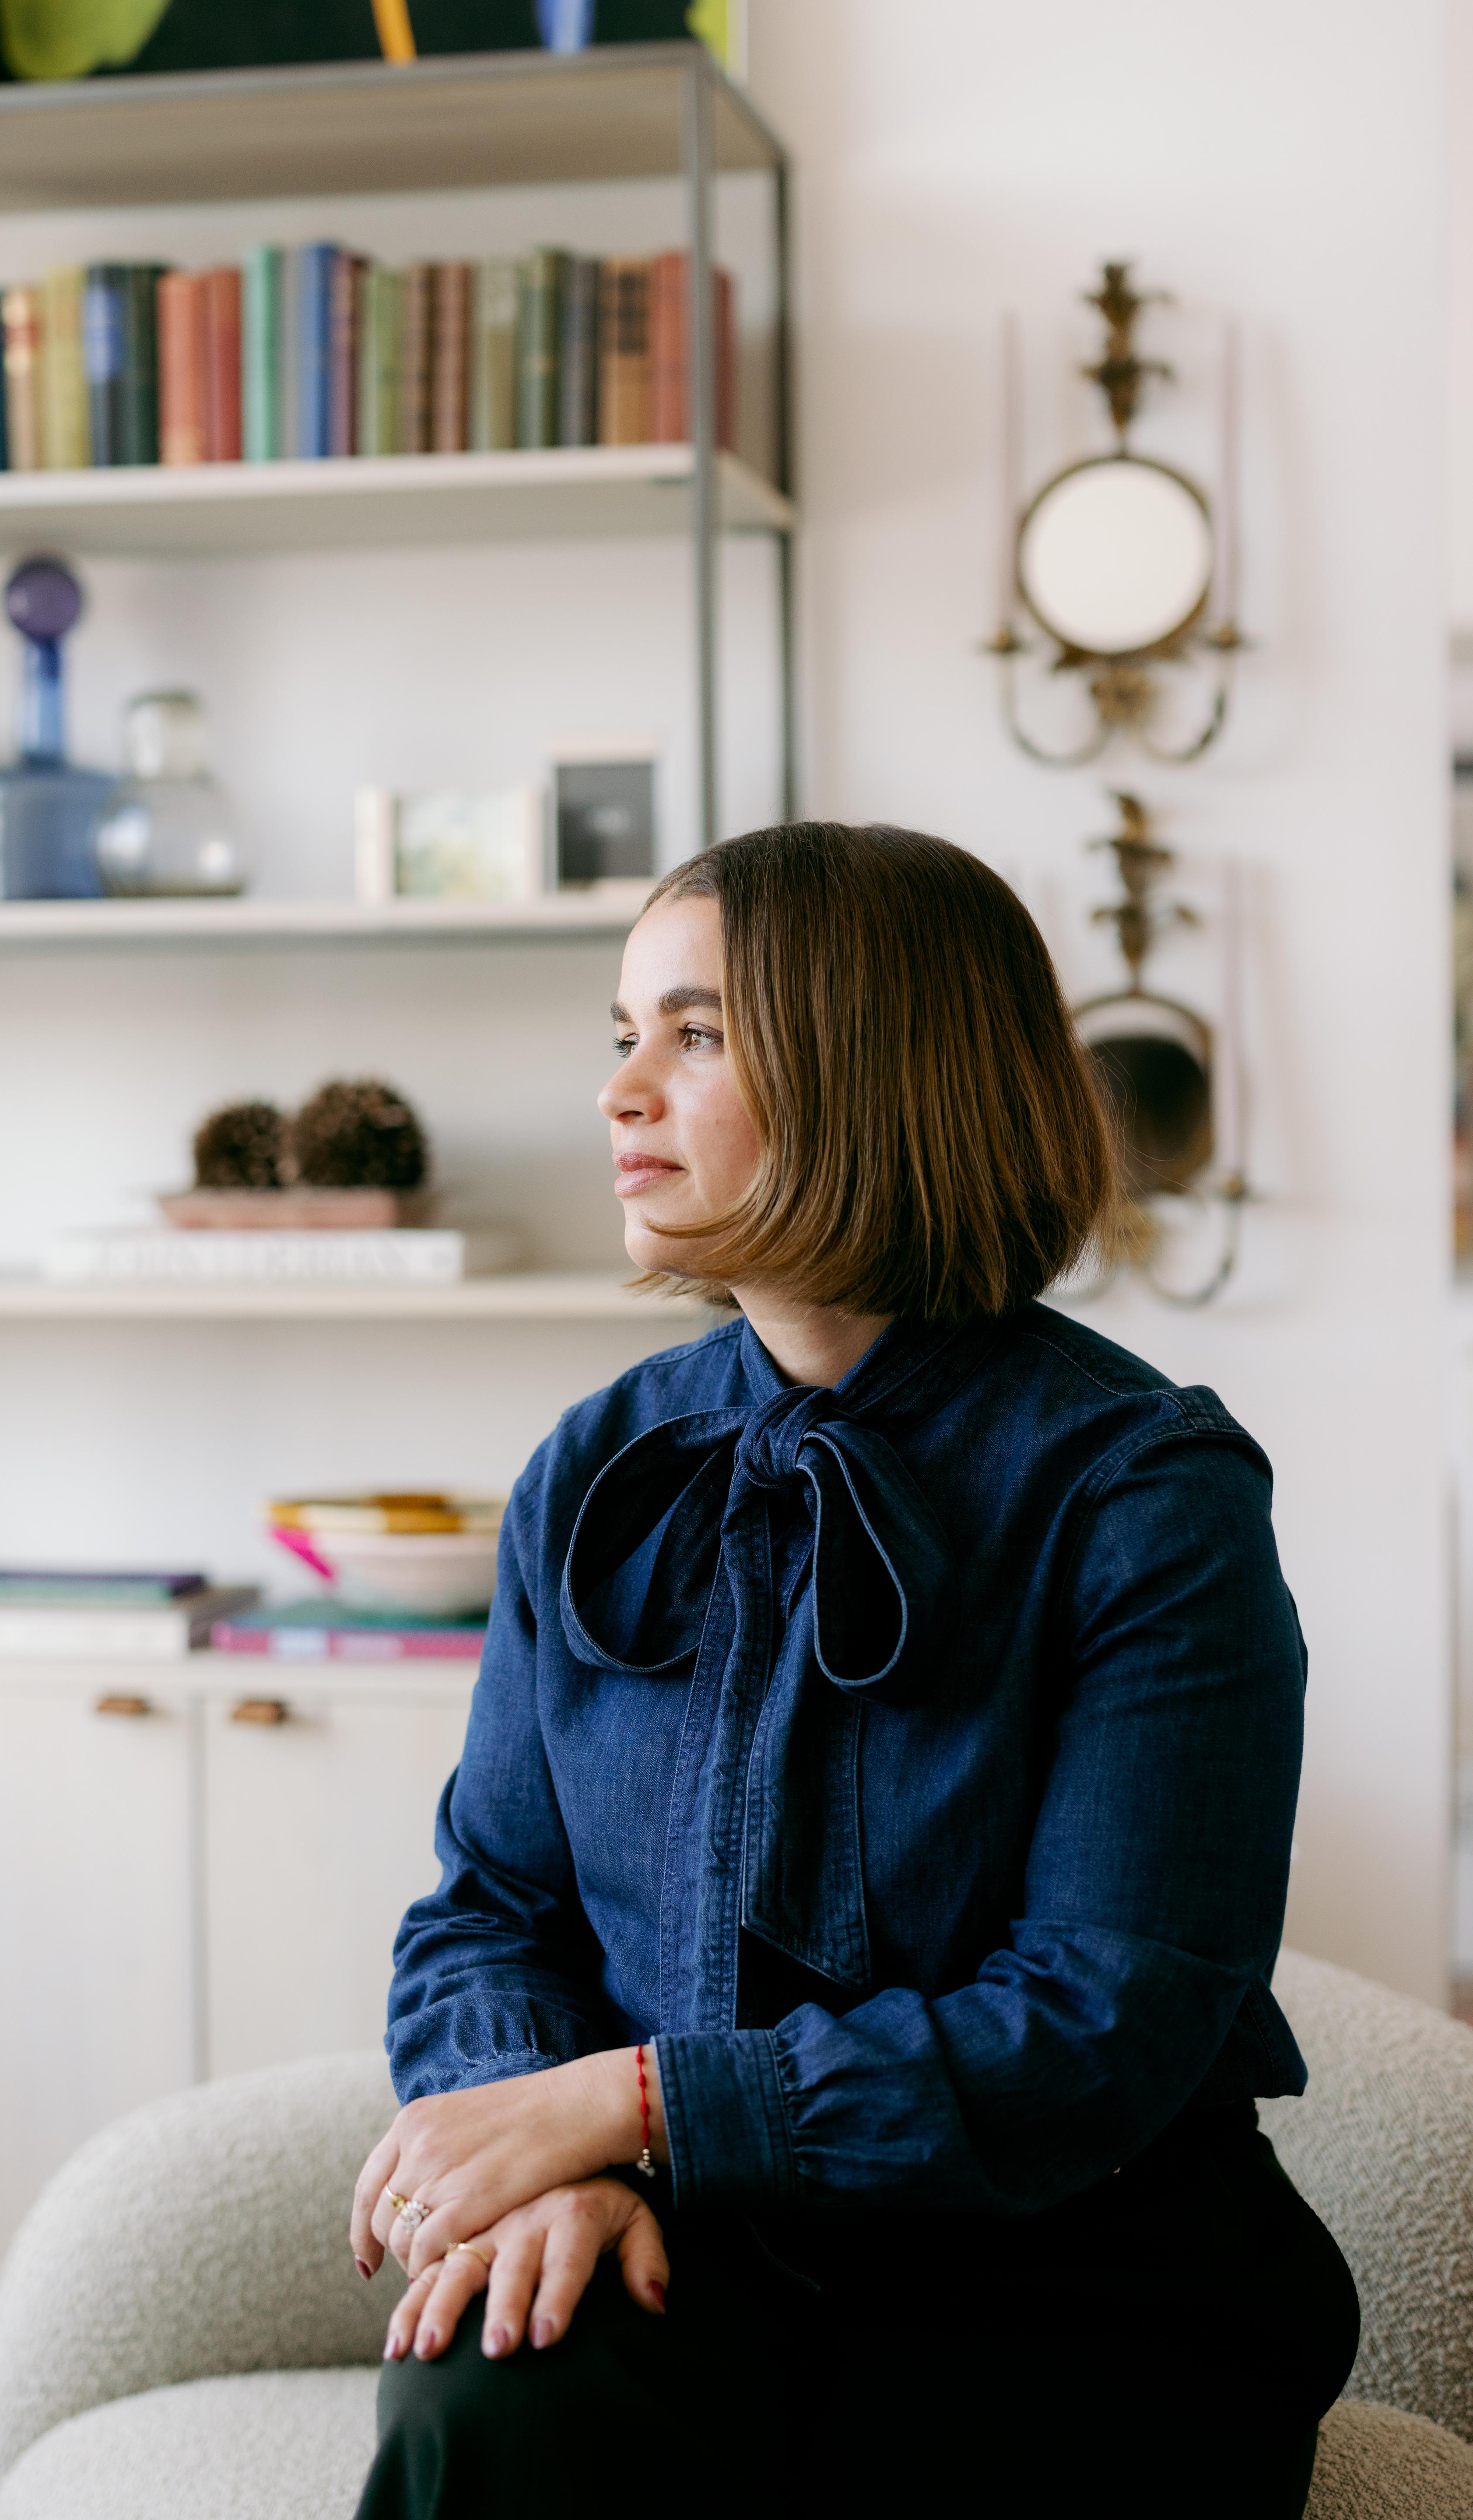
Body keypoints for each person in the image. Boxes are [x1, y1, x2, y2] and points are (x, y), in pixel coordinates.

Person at [348, 822, 1358, 2520]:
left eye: (696, 1035)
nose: (621, 1094)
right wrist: (537, 2164)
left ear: (884, 1071)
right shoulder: (594, 1470)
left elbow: (1100, 2023)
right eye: (622, 1036)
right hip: (688, 2253)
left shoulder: (1148, 1502)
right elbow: (489, 1906)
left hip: (1073, 2295)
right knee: (493, 2411)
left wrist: (645, 2105)